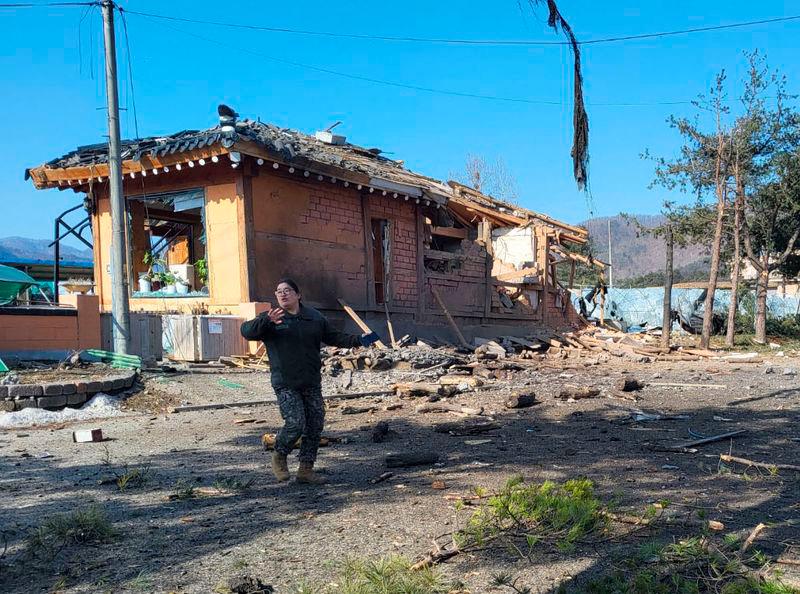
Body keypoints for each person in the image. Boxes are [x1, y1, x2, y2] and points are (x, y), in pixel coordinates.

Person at [240, 278, 379, 484]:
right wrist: (266, 321)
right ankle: (279, 455)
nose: (282, 294)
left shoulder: (314, 318)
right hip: (285, 381)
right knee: (295, 423)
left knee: (315, 424)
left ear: (298, 295)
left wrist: (360, 340)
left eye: (287, 290)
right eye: (278, 291)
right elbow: (247, 331)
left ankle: (306, 470)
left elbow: (334, 337)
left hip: (310, 380)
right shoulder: (271, 318)